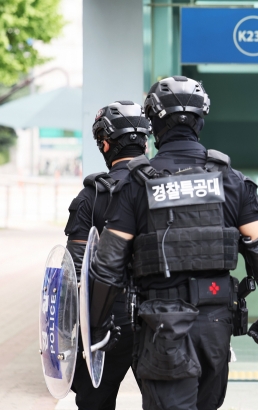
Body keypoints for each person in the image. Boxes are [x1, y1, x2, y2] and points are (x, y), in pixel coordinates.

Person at [87, 76, 258, 410]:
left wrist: (97, 328)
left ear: (152, 123)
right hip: (216, 324)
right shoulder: (230, 179)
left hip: (161, 325)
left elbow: (108, 265)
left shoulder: (137, 184)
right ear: (201, 119)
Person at [64, 100, 149, 409]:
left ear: (105, 143)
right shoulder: (163, 186)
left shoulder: (93, 194)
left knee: (94, 401)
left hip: (104, 318)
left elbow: (75, 268)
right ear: (145, 140)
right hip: (159, 315)